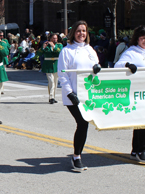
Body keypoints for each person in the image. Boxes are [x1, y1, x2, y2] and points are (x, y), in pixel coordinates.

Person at [115, 25, 145, 164]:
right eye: (143, 38)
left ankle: (136, 150)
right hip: (137, 92)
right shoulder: (131, 52)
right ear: (137, 39)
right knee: (143, 121)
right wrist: (128, 65)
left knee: (144, 121)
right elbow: (118, 65)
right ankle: (142, 149)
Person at [57, 20, 101, 172]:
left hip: (87, 94)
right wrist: (69, 93)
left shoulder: (90, 50)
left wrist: (97, 68)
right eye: (78, 31)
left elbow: (96, 66)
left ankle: (78, 155)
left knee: (85, 123)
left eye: (84, 31)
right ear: (73, 33)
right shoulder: (66, 51)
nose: (81, 34)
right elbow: (63, 75)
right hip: (73, 95)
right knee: (82, 123)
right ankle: (76, 157)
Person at [37, 33, 63, 104]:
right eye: (53, 38)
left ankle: (53, 97)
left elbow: (60, 52)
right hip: (48, 65)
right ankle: (51, 97)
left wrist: (54, 46)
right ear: (50, 38)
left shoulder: (59, 45)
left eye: (56, 38)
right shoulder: (46, 45)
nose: (55, 39)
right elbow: (38, 53)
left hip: (56, 65)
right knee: (51, 81)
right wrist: (43, 48)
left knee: (55, 82)